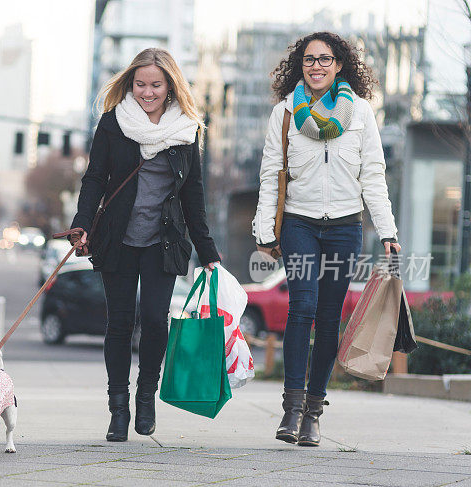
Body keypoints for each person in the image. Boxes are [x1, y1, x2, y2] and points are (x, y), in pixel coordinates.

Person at [252, 32, 402, 446]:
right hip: (299, 224)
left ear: (339, 65)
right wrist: (265, 229)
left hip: (344, 227)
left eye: (325, 59)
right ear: (300, 66)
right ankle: (291, 409)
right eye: (309, 60)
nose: (316, 66)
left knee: (330, 316)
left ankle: (314, 412)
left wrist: (387, 230)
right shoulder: (284, 113)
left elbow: (373, 176)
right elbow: (271, 175)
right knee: (302, 306)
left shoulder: (360, 114)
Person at [69, 48, 220, 442]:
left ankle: (146, 394)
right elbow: (95, 179)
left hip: (163, 242)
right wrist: (81, 224)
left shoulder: (187, 130)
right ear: (130, 83)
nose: (147, 92)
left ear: (170, 85)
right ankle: (118, 408)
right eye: (140, 84)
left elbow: (194, 195)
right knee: (119, 325)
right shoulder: (113, 123)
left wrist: (208, 252)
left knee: (155, 321)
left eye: (155, 85)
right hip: (117, 240)